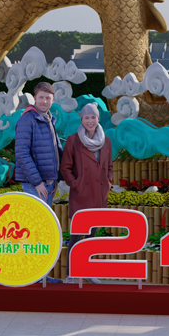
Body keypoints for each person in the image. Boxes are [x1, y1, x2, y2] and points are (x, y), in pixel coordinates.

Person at [60, 103, 113, 284]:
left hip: (99, 195)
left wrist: (108, 182)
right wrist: (75, 184)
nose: (90, 121)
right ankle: (71, 273)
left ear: (98, 118)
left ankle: (89, 271)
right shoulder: (73, 140)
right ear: (81, 119)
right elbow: (65, 167)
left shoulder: (106, 140)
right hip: (81, 195)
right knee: (76, 236)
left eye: (93, 117)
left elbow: (109, 166)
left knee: (92, 237)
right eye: (86, 117)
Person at [13, 82, 62, 206]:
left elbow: (54, 150)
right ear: (35, 98)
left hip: (49, 182)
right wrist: (37, 182)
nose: (44, 101)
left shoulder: (48, 119)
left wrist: (55, 178)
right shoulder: (27, 120)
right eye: (41, 97)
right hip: (35, 184)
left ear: (53, 100)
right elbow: (22, 154)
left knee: (45, 218)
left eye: (48, 98)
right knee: (37, 217)